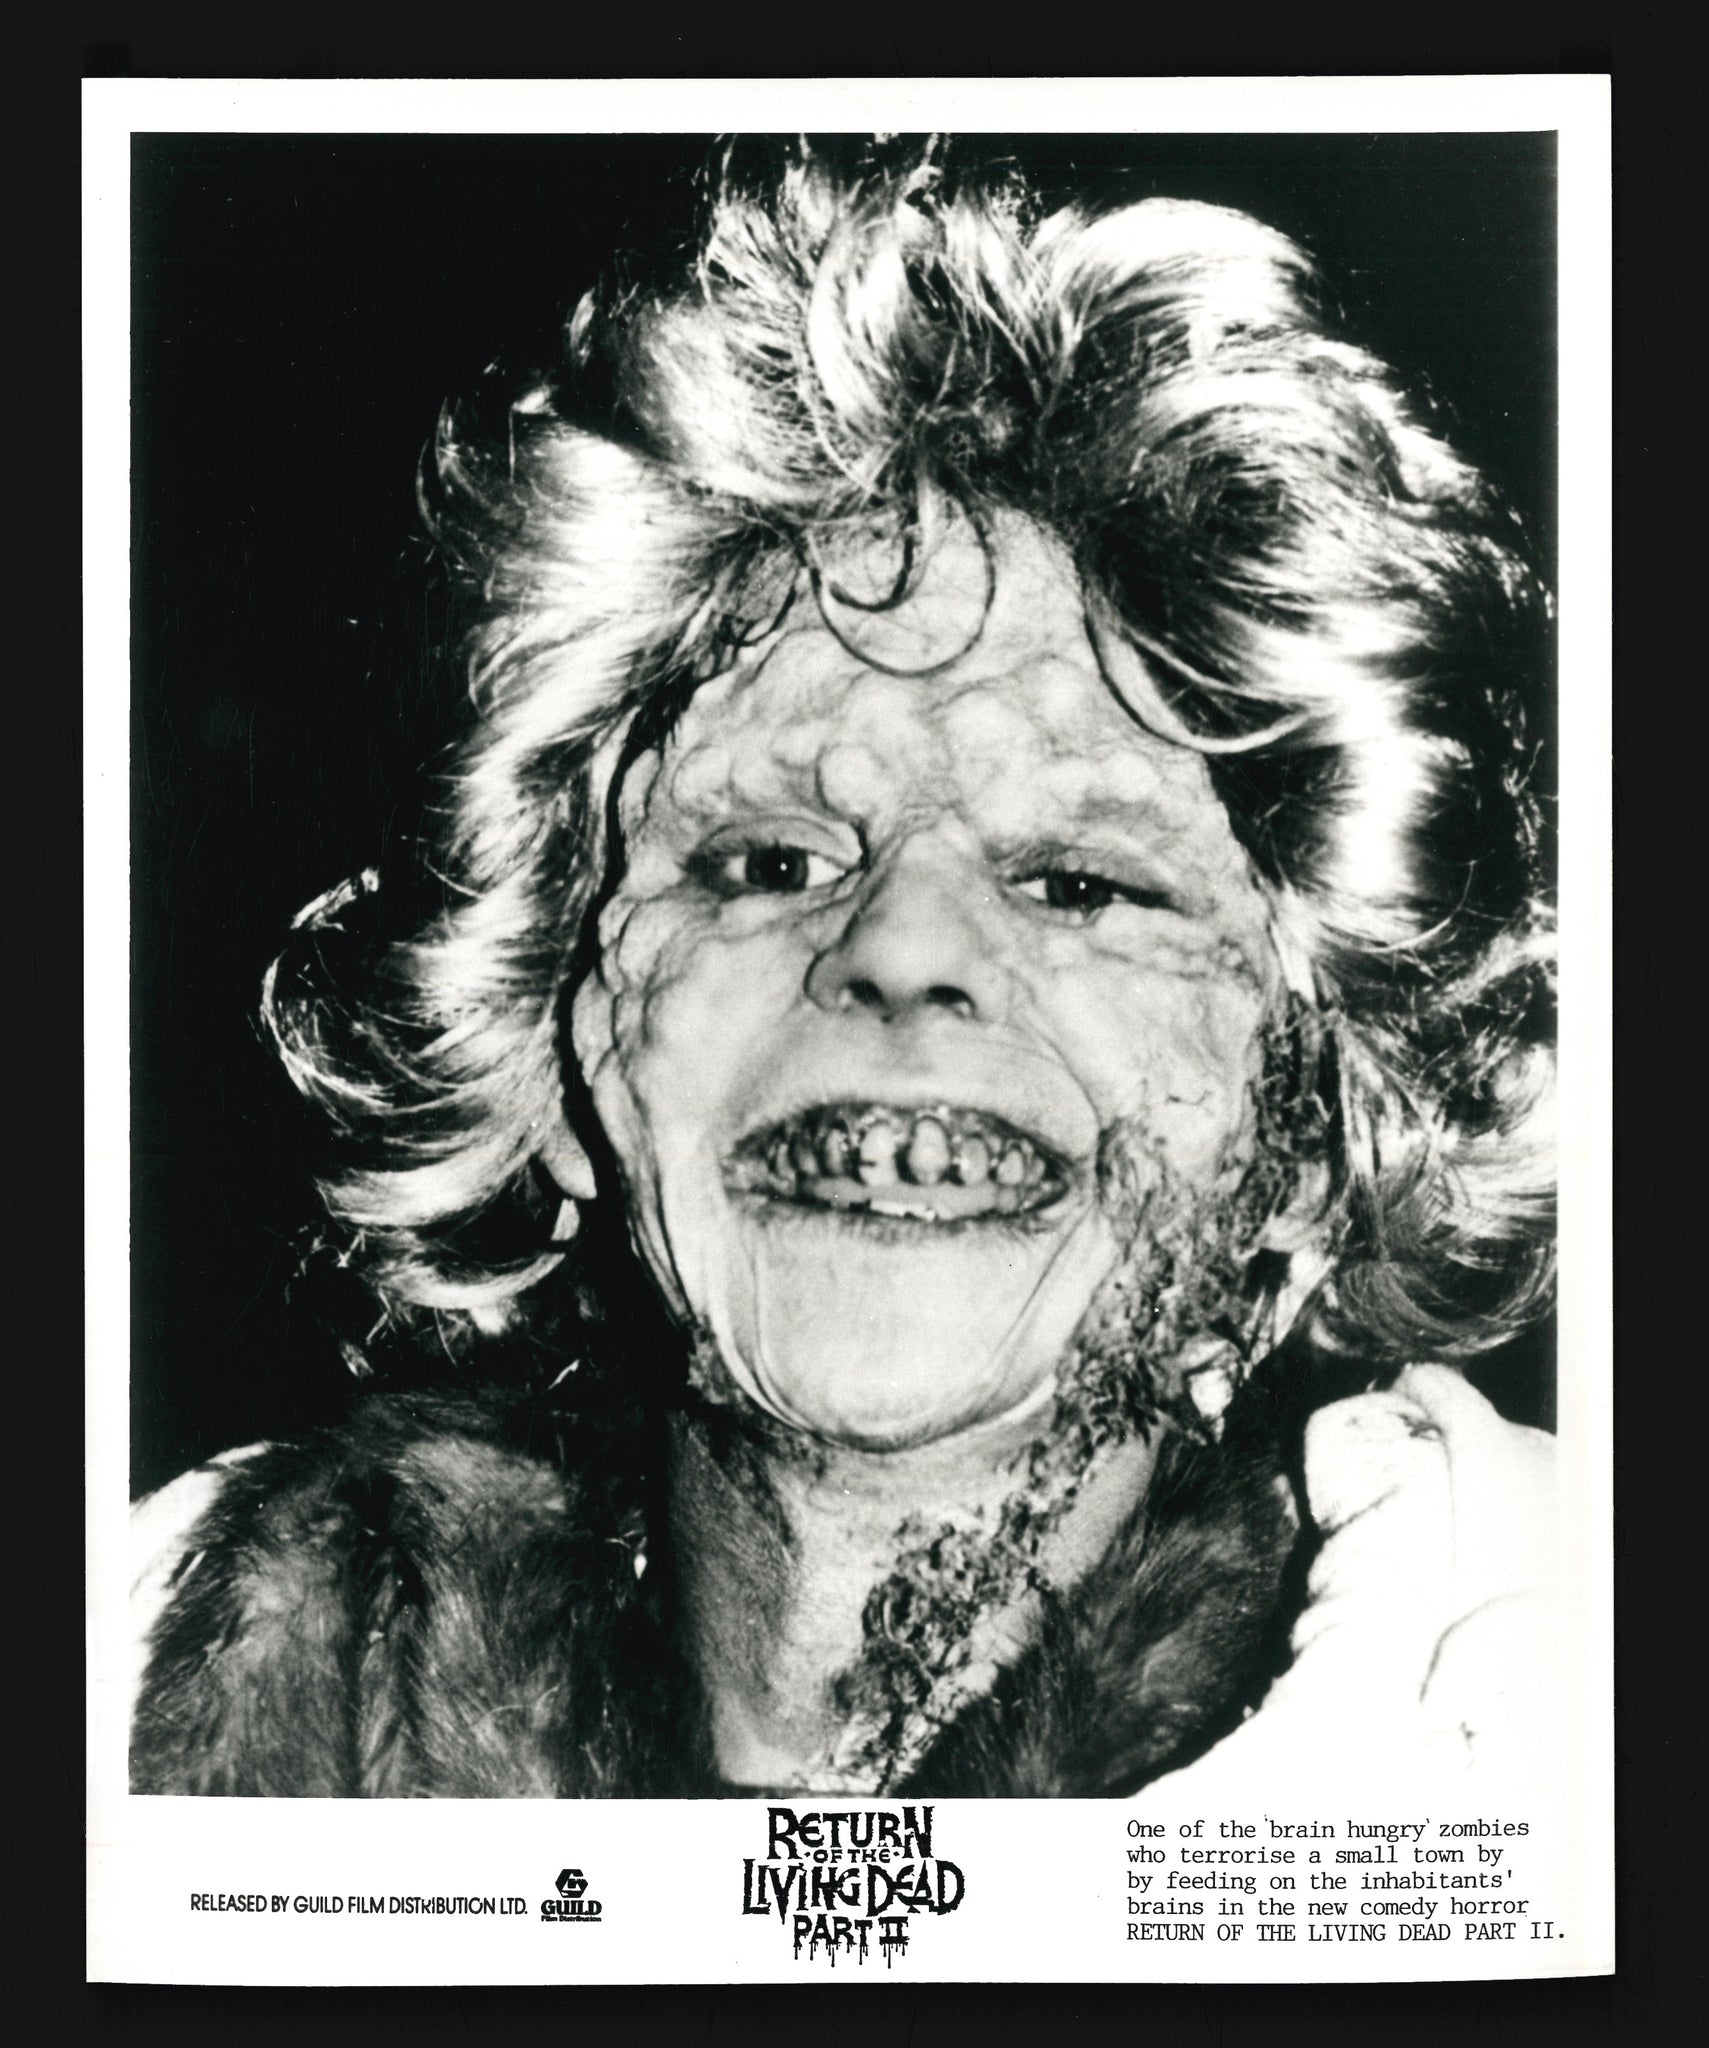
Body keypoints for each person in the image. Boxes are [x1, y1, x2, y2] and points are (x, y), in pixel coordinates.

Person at [128, 142, 1557, 1800]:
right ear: (564, 1055)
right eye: (765, 863)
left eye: (1080, 883)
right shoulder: (122, 1665)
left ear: (1310, 1137)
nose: (896, 953)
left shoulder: (1544, 1699)